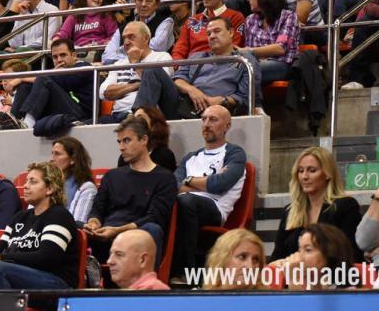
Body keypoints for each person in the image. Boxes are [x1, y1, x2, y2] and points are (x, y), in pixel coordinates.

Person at [170, 105, 248, 282]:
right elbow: (174, 186)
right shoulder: (190, 157)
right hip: (185, 204)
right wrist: (204, 183)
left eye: (213, 120)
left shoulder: (234, 153)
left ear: (227, 126)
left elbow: (220, 185)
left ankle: (184, 273)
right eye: (203, 119)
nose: (206, 124)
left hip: (215, 208)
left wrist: (188, 180)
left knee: (186, 201)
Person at [0, 162, 79, 289]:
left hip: (56, 281)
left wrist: (0, 258)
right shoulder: (19, 217)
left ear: (50, 188)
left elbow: (48, 258)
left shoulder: (59, 215)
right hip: (21, 276)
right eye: (26, 181)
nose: (25, 186)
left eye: (33, 182)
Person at [85, 116, 176, 262]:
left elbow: (154, 217)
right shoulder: (112, 175)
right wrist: (93, 223)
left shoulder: (165, 178)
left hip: (136, 236)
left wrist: (118, 231)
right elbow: (97, 208)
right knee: (68, 221)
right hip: (104, 235)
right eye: (119, 142)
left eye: (127, 140)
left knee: (152, 228)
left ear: (144, 140)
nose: (121, 147)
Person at [271, 147, 360, 260]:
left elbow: (351, 254)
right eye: (300, 171)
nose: (304, 176)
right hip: (293, 275)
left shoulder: (345, 206)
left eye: (312, 170)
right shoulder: (289, 211)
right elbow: (277, 255)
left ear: (327, 174)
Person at [172, 17, 261, 117]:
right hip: (187, 105)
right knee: (154, 70)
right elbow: (177, 79)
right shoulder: (197, 57)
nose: (212, 36)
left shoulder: (245, 60)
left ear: (231, 32)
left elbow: (245, 96)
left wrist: (222, 100)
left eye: (217, 31)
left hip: (223, 110)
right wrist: (192, 90)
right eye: (209, 34)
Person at [98, 21, 173, 123]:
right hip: (118, 115)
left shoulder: (162, 57)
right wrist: (137, 85)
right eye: (124, 38)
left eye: (131, 37)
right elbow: (104, 93)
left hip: (148, 116)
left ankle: (138, 115)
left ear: (146, 39)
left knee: (152, 71)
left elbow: (160, 87)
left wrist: (136, 64)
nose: (126, 42)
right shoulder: (119, 64)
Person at [171, 0, 245, 60]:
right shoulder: (192, 20)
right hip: (189, 67)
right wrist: (179, 67)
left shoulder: (235, 17)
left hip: (220, 65)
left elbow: (234, 48)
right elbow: (179, 50)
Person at [243, 0, 300, 84]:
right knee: (235, 70)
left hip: (282, 65)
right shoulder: (250, 20)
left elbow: (280, 48)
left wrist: (249, 51)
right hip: (257, 63)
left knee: (248, 70)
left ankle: (252, 101)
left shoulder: (288, 16)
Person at [50, 137, 97, 226]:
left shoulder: (87, 188)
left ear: (73, 159)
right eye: (52, 153)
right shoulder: (45, 183)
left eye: (57, 154)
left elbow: (77, 225)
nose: (52, 159)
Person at [202, 228, 266, 290]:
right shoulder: (199, 299)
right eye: (242, 257)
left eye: (255, 259)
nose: (250, 266)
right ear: (222, 259)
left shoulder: (268, 299)